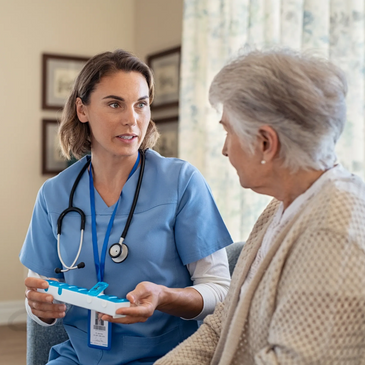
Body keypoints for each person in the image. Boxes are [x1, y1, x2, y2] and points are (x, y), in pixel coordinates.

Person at [20, 49, 233, 365]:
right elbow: (40, 289)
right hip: (80, 357)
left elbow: (219, 291)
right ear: (82, 110)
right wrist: (41, 308)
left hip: (165, 357)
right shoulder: (55, 194)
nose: (132, 119)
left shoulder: (181, 182)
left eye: (141, 104)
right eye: (114, 104)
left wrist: (164, 297)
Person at [155, 48, 365, 364]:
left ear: (266, 142)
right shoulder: (279, 207)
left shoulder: (334, 227)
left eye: (228, 131)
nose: (225, 150)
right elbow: (221, 326)